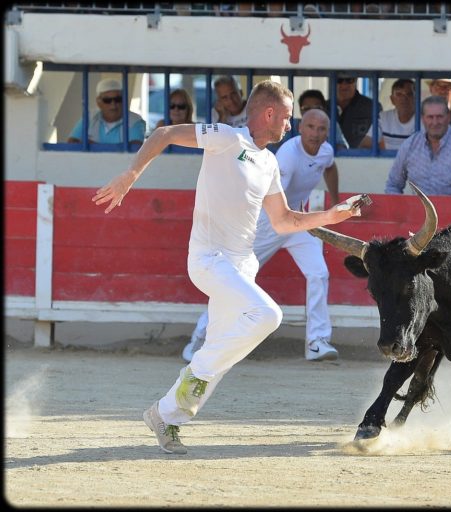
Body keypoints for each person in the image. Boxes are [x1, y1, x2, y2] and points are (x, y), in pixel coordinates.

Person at [92, 80, 365, 455]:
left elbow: (283, 220)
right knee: (267, 315)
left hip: (241, 264)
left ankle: (165, 416)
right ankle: (196, 370)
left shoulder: (269, 161)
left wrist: (332, 216)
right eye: (286, 118)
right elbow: (165, 132)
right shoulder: (226, 137)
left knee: (220, 355)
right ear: (269, 114)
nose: (289, 126)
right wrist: (131, 174)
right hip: (208, 260)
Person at [183, 108, 341, 363]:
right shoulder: (288, 156)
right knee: (235, 279)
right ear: (301, 128)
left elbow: (330, 168)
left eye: (321, 129)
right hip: (268, 224)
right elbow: (275, 206)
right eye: (310, 127)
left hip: (295, 223)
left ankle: (317, 342)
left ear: (327, 133)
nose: (315, 133)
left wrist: (334, 198)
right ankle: (200, 338)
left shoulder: (326, 151)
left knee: (319, 273)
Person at [67, 78, 147, 145]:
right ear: (98, 102)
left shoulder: (135, 121)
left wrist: (92, 146)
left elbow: (135, 148)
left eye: (118, 99)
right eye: (107, 100)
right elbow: (72, 142)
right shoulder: (90, 118)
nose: (113, 104)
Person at [359, 78, 417, 151]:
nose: (404, 98)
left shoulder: (425, 119)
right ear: (392, 99)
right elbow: (365, 146)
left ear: (416, 98)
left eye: (409, 94)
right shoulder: (383, 118)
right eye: (399, 94)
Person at [336, 73, 382, 148]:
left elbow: (380, 139)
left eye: (349, 80)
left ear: (356, 80)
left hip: (363, 158)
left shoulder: (372, 107)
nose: (344, 85)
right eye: (339, 80)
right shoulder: (326, 107)